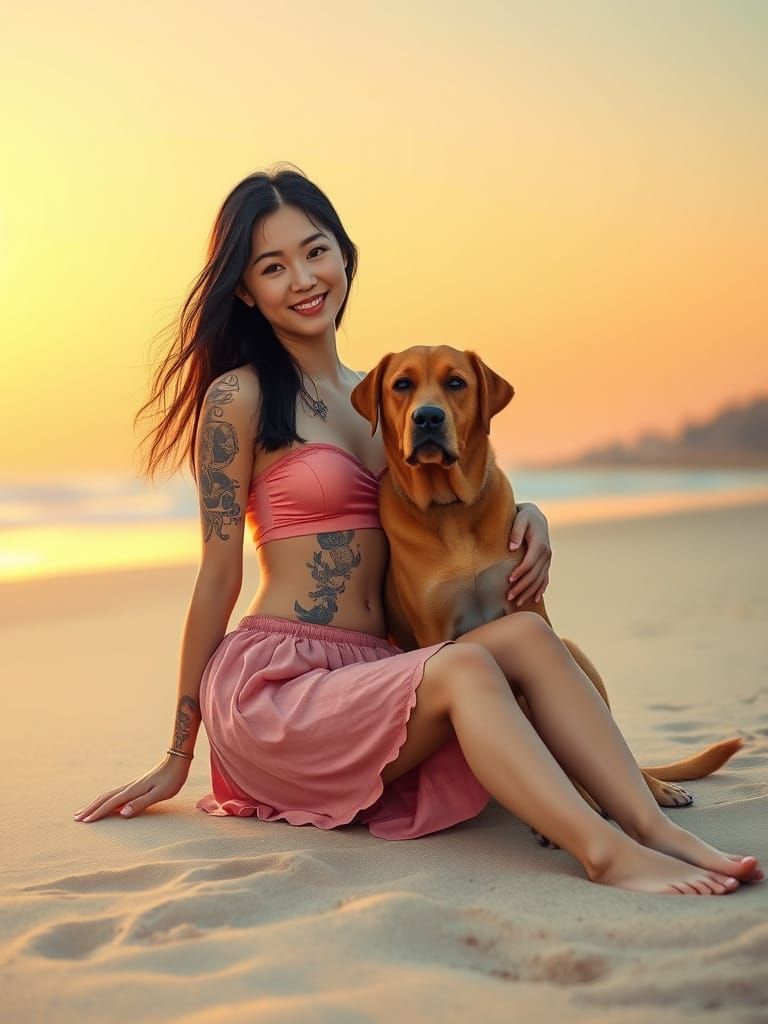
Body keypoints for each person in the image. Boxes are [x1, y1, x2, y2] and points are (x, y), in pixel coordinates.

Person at [74, 166, 762, 896]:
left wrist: (529, 514)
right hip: (279, 692)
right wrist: (178, 752)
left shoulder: (390, 392)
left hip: (372, 675)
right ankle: (606, 853)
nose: (303, 278)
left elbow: (458, 501)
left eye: (315, 252)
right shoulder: (238, 397)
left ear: (345, 254)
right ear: (246, 291)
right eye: (272, 267)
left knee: (532, 637)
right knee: (467, 666)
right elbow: (217, 578)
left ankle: (655, 829)